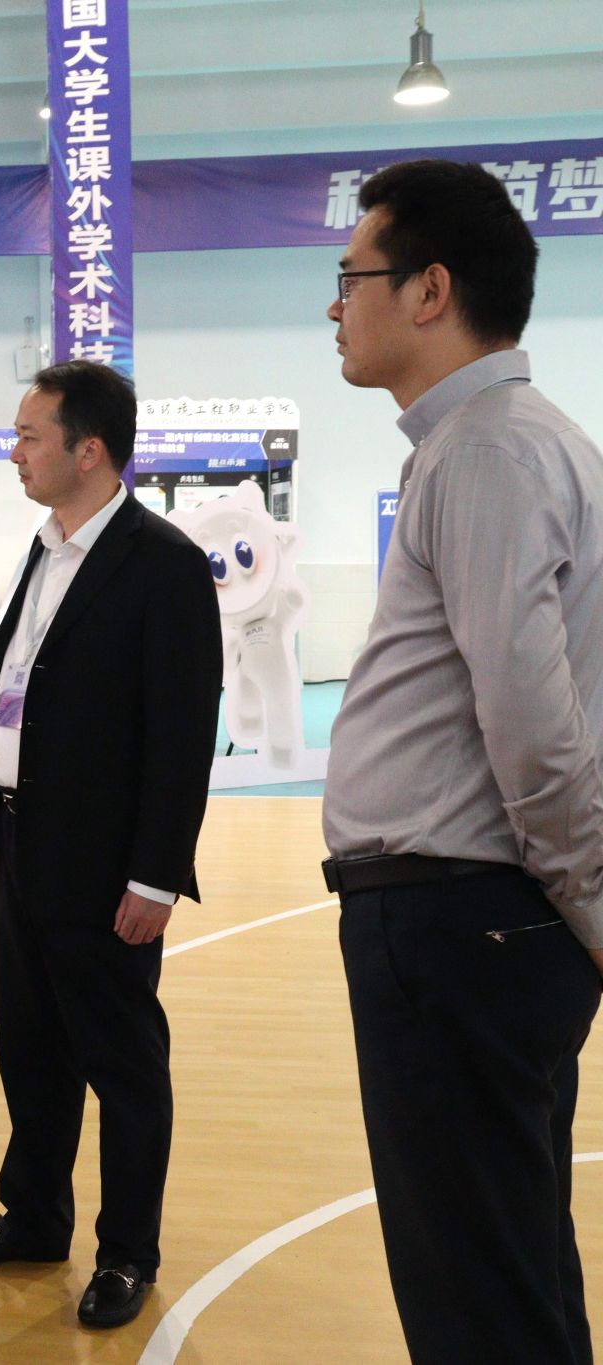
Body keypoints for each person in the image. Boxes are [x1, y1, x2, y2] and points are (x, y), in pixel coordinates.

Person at [321, 160, 603, 1364]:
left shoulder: (486, 449)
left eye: (350, 277)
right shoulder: (504, 442)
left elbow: (531, 721)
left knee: (472, 1293)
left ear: (427, 290)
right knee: (508, 1264)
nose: (333, 305)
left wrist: (590, 900)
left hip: (457, 920)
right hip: (475, 918)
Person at [0, 360, 220, 1331]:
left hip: (103, 864)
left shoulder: (161, 563)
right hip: (24, 841)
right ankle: (33, 1216)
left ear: (87, 450)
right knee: (31, 1048)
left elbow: (180, 735)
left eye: (29, 435)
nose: (13, 451)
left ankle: (127, 1251)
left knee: (122, 1064)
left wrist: (155, 877)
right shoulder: (46, 548)